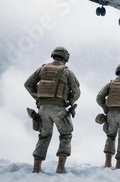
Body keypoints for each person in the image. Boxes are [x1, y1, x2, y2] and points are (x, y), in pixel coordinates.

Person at [24, 46, 81, 174]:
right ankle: (60, 167)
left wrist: (38, 98)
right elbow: (77, 92)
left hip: (43, 108)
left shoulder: (42, 69)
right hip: (60, 108)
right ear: (65, 58)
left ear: (53, 55)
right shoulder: (67, 72)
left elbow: (28, 84)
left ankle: (36, 168)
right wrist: (69, 101)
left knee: (44, 136)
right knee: (66, 135)